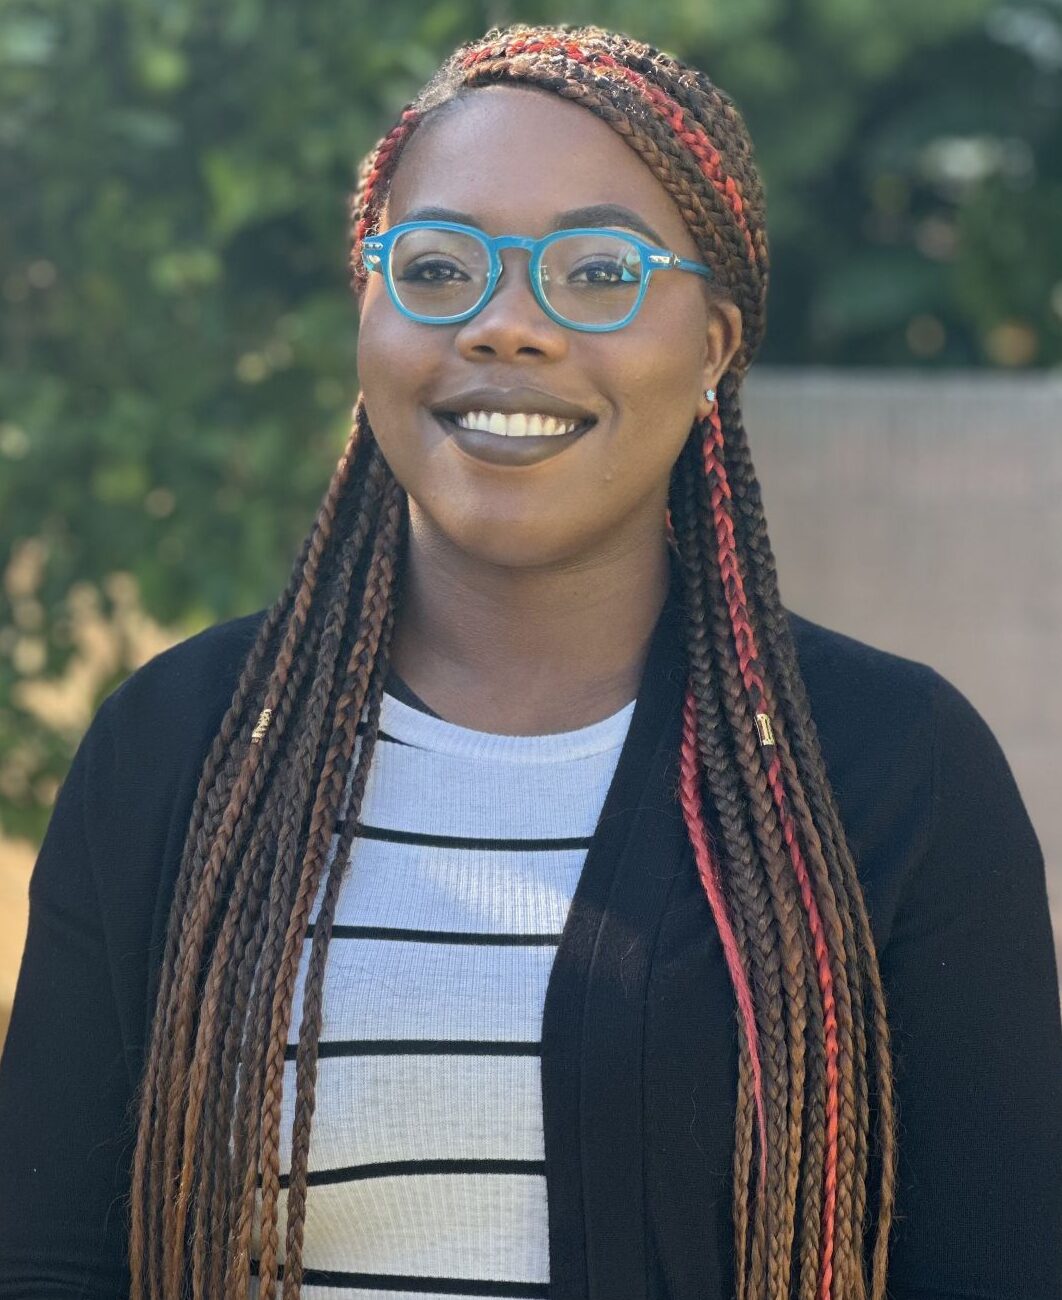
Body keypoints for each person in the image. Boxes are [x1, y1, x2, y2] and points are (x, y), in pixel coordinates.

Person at [1, 20, 1060, 1300]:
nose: (508, 326)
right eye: (438, 267)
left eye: (599, 271)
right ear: (368, 312)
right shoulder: (180, 749)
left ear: (714, 345)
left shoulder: (891, 771)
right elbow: (47, 1258)